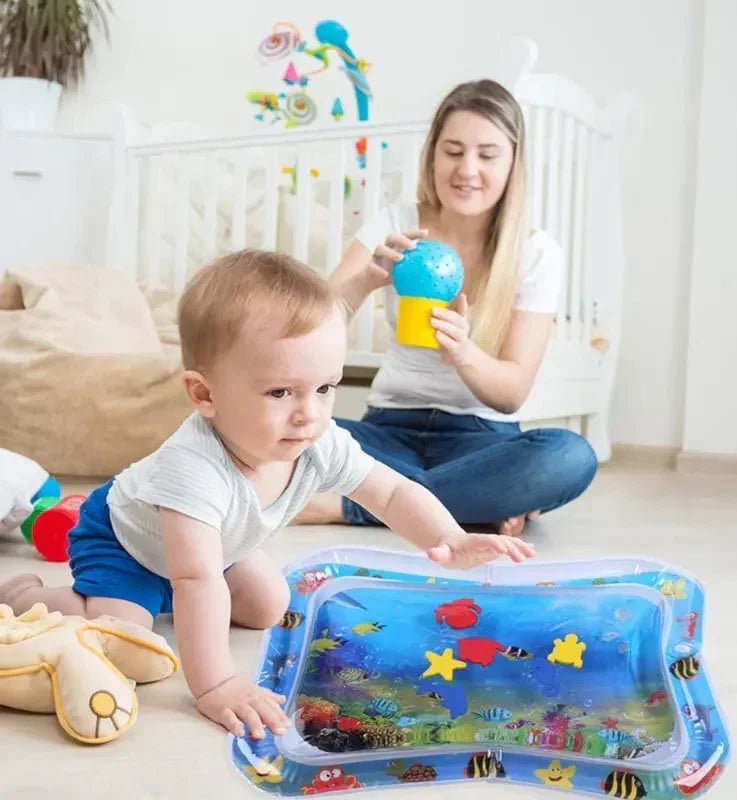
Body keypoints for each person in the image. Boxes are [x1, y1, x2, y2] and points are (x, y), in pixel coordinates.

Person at [0, 250, 533, 740]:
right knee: (126, 636)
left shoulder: (315, 436)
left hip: (216, 545)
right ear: (204, 394)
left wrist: (450, 536)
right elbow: (196, 578)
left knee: (268, 605)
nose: (309, 412)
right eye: (281, 392)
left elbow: (390, 492)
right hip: (128, 541)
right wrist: (215, 687)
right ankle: (28, 595)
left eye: (325, 388)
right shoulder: (194, 470)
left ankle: (161, 599)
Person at [294, 80, 597, 536]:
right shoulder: (396, 222)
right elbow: (312, 329)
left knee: (569, 456)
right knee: (276, 428)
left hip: (480, 441)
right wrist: (366, 278)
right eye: (453, 151)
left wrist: (465, 353)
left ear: (513, 162)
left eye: (487, 155)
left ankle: (351, 504)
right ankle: (470, 502)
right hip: (386, 432)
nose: (467, 169)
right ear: (432, 154)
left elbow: (512, 392)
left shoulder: (535, 253)